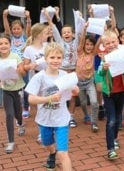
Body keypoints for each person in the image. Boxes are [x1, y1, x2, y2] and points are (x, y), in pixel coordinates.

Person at [25, 42, 79, 171]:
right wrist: (48, 99)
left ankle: (57, 154)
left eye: (59, 57)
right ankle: (51, 152)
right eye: (52, 57)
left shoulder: (65, 75)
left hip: (61, 119)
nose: (56, 61)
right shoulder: (39, 77)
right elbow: (30, 99)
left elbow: (74, 90)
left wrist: (76, 90)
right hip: (45, 119)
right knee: (47, 144)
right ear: (46, 58)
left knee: (63, 153)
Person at [97, 30, 124, 160]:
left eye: (113, 42)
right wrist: (104, 69)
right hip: (108, 93)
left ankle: (114, 139)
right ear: (104, 45)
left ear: (118, 41)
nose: (111, 45)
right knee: (111, 120)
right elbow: (99, 75)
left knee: (118, 119)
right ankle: (110, 149)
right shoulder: (104, 59)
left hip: (122, 92)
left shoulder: (123, 53)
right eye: (108, 43)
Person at [45, 9, 81, 127]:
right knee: (60, 94)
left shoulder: (76, 42)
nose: (66, 34)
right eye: (64, 32)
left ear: (72, 33)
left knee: (71, 95)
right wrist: (49, 18)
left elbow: (81, 31)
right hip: (62, 71)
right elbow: (54, 29)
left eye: (68, 32)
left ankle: (71, 117)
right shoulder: (60, 42)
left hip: (72, 71)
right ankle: (59, 115)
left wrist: (79, 18)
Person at [0, 33, 26, 153]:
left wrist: (20, 70)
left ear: (10, 44)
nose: (3, 45)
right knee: (9, 114)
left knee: (18, 113)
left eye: (6, 43)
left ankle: (21, 123)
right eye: (0, 44)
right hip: (6, 90)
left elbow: (23, 73)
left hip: (18, 89)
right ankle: (11, 142)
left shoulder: (16, 57)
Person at [3, 8, 31, 118]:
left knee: (26, 87)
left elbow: (29, 31)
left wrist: (28, 18)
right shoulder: (10, 38)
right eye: (14, 29)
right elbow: (6, 29)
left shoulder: (25, 37)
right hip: (12, 66)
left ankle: (25, 106)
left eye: (18, 28)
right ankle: (16, 106)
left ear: (22, 29)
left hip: (23, 65)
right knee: (15, 87)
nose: (16, 30)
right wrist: (5, 16)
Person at [76, 22, 102, 132]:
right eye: (87, 44)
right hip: (79, 82)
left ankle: (94, 122)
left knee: (94, 102)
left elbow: (99, 42)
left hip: (90, 81)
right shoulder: (80, 52)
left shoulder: (93, 54)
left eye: (91, 44)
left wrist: (103, 32)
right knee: (82, 102)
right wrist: (85, 28)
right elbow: (82, 40)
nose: (89, 46)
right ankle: (86, 115)